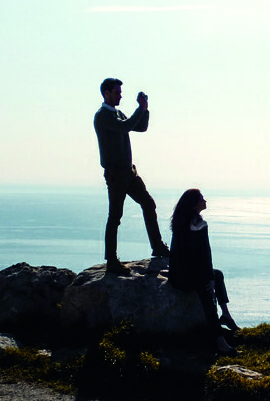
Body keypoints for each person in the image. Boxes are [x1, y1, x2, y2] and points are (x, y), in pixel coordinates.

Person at [94, 78, 169, 275]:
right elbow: (125, 127)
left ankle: (158, 247)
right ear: (106, 93)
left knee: (148, 204)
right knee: (115, 217)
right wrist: (139, 109)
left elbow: (140, 127)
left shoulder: (117, 113)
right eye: (117, 92)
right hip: (116, 175)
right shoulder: (103, 116)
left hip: (129, 172)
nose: (120, 95)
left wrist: (144, 109)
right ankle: (111, 261)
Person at [167, 189, 240, 354]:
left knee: (218, 274)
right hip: (188, 277)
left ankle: (226, 315)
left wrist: (210, 276)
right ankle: (220, 343)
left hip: (178, 275)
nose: (205, 201)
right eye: (202, 199)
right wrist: (208, 278)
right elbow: (204, 254)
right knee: (207, 292)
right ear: (195, 204)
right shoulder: (199, 225)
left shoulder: (180, 222)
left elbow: (186, 257)